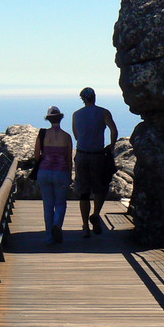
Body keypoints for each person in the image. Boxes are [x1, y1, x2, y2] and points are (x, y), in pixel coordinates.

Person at [71, 87, 118, 238]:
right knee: (100, 188)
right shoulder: (104, 112)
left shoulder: (76, 115)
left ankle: (85, 226)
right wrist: (111, 145)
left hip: (81, 155)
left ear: (83, 99)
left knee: (83, 192)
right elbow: (113, 130)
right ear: (94, 97)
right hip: (98, 155)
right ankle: (96, 214)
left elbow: (77, 136)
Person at [34, 106, 72, 244]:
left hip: (44, 172)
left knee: (48, 205)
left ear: (48, 119)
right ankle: (57, 224)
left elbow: (36, 156)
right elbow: (68, 158)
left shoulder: (42, 134)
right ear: (60, 118)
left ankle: (49, 237)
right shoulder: (67, 137)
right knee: (61, 203)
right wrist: (70, 175)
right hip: (61, 172)